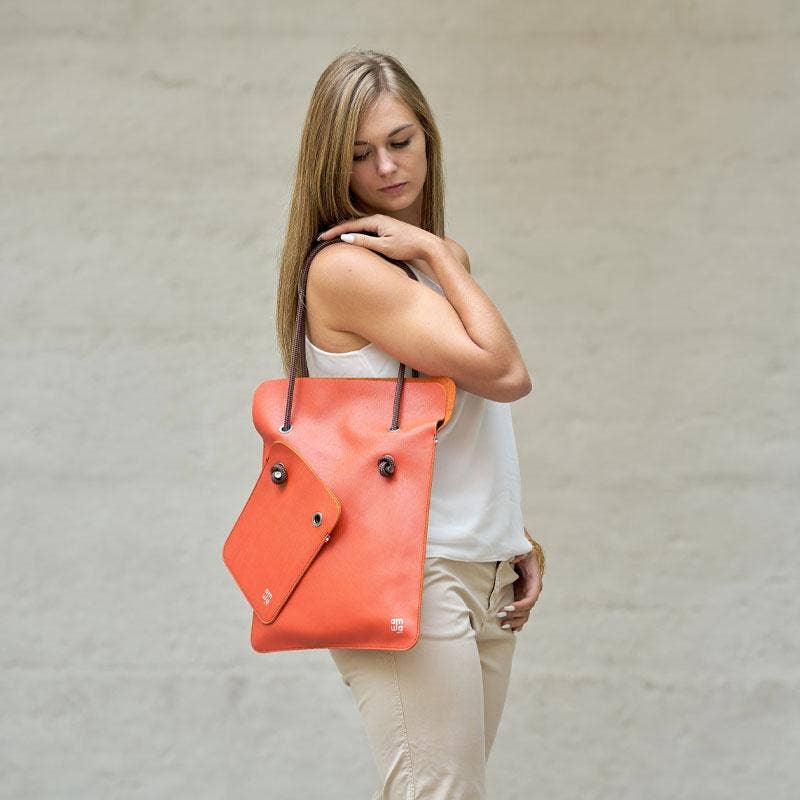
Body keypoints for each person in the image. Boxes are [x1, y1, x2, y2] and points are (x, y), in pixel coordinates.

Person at [274, 47, 545, 800]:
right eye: (360, 154)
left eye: (400, 141)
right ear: (331, 167)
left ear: (428, 137)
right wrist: (435, 248)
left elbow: (457, 422)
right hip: (406, 572)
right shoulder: (347, 268)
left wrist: (509, 531)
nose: (387, 168)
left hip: (470, 565)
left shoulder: (424, 267)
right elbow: (505, 373)